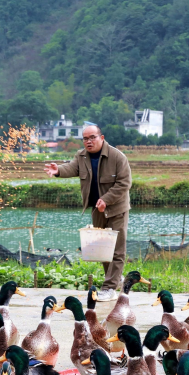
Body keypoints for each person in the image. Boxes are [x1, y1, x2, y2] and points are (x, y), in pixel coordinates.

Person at [44, 125, 132, 301]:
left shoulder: (117, 157)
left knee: (116, 249)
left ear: (101, 137)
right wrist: (58, 170)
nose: (88, 141)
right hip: (96, 208)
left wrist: (106, 200)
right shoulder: (81, 155)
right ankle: (115, 279)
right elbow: (72, 168)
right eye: (85, 138)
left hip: (116, 209)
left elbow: (124, 183)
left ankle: (109, 288)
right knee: (103, 250)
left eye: (92, 137)